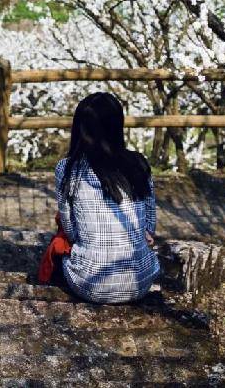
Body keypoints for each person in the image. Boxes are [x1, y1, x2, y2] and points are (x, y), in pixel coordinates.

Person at [52, 91, 159, 303]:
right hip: (141, 281)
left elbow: (71, 231)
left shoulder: (68, 168)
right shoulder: (138, 164)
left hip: (89, 283)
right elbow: (150, 226)